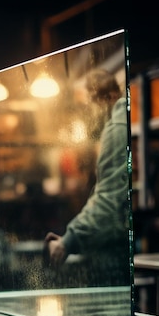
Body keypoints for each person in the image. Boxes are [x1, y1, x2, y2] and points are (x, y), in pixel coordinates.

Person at [44, 68, 131, 286]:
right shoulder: (119, 124)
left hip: (117, 252)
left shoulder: (118, 127)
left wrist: (69, 240)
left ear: (108, 97)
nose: (87, 114)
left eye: (88, 105)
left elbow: (109, 198)